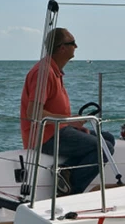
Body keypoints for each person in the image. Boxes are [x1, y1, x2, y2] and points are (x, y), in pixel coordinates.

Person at [20, 28, 116, 195]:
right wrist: (70, 121)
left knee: (107, 138)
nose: (76, 46)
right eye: (72, 43)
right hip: (45, 137)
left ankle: (65, 171)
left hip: (58, 130)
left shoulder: (54, 70)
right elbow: (33, 113)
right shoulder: (44, 72)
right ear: (62, 48)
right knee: (103, 147)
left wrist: (71, 123)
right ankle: (70, 191)